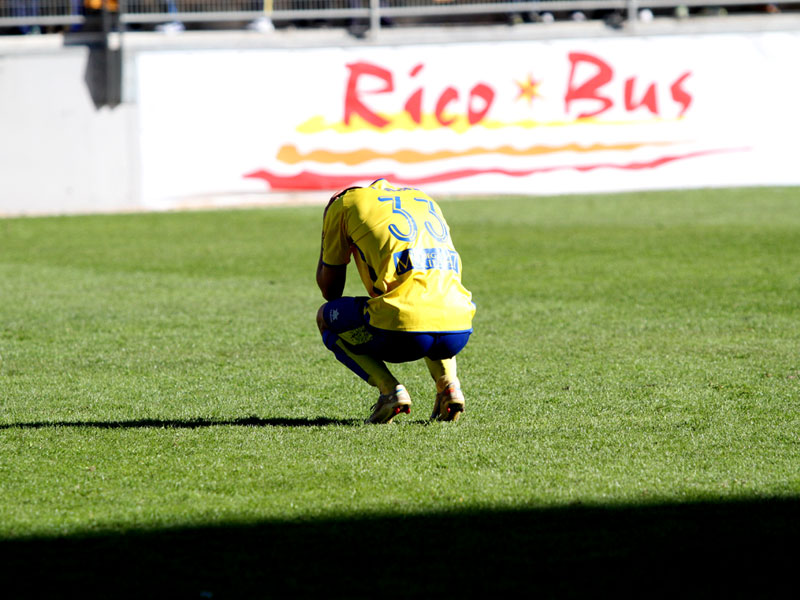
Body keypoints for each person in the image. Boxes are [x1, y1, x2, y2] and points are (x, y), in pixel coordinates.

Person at [316, 178, 475, 424]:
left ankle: (390, 391)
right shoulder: (424, 199)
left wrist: (327, 233)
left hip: (402, 332)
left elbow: (330, 289)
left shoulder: (345, 203)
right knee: (428, 296)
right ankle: (449, 387)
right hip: (459, 327)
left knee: (325, 318)